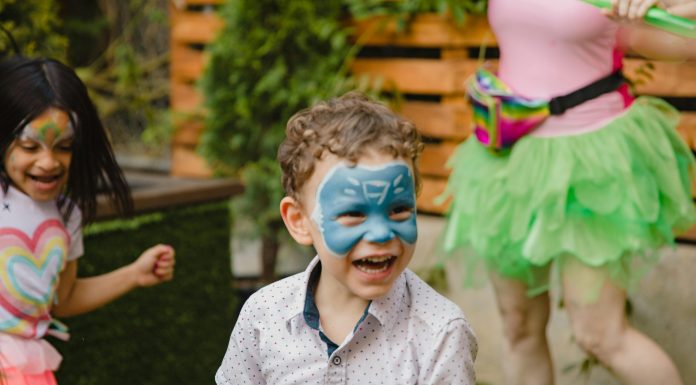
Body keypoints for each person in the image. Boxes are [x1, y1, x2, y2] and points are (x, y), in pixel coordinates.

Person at [440, 1, 696, 385]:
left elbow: (681, 43)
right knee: (519, 326)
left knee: (602, 336)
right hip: (507, 160)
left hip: (591, 163)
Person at [215, 92, 478, 385]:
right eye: (354, 213)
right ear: (299, 220)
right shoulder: (263, 316)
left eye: (399, 209)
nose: (382, 233)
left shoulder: (441, 334)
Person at [0, 56, 176, 385]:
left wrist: (134, 274)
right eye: (29, 146)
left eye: (64, 146)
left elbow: (63, 300)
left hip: (29, 369)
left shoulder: (67, 216)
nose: (48, 161)